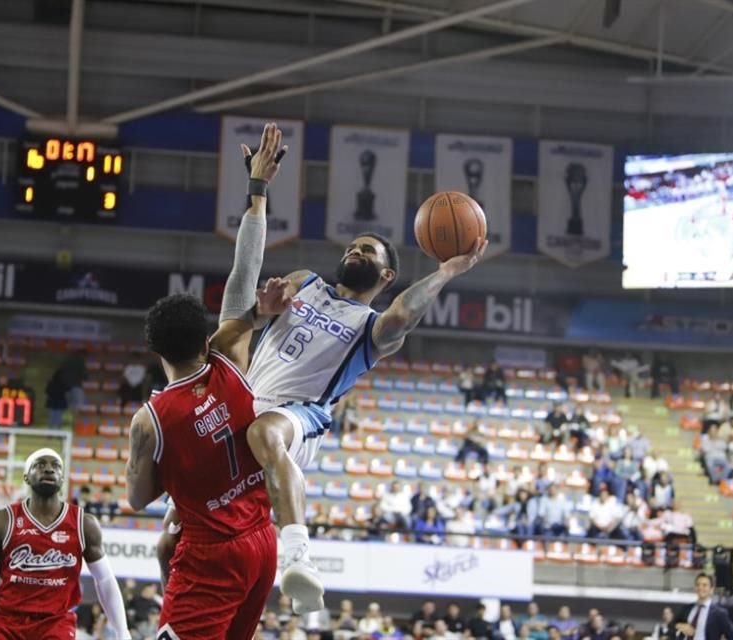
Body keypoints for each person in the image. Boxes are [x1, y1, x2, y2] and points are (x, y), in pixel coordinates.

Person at [158, 185, 489, 614]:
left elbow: (403, 317)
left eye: (367, 251)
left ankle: (298, 556)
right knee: (169, 541)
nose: (354, 252)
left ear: (387, 275)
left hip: (300, 414)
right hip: (243, 407)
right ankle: (176, 617)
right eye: (352, 247)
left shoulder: (371, 329)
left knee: (266, 432)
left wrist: (447, 270)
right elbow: (246, 318)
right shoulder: (304, 282)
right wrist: (261, 311)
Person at [125, 123, 286, 639]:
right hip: (262, 540)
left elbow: (137, 498)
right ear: (206, 337)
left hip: (211, 554)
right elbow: (247, 264)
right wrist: (257, 189)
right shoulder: (231, 352)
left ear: (154, 349)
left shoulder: (149, 421)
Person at [0, 448, 130, 640]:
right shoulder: (2, 520)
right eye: (40, 464)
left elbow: (104, 580)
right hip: (6, 620)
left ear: (62, 478)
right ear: (26, 477)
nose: (49, 469)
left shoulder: (83, 523)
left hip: (55, 622)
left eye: (55, 466)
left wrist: (122, 631)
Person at [673, 573, 733, 640]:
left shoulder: (719, 613)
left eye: (704, 585)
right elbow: (672, 624)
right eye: (698, 585)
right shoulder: (687, 608)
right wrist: (681, 626)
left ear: (711, 589)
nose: (700, 587)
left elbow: (731, 636)